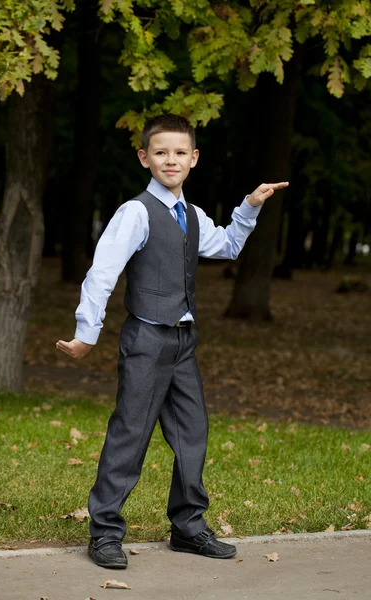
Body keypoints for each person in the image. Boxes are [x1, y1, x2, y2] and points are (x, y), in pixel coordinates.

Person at [56, 114, 288, 570]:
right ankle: (104, 531)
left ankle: (187, 527)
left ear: (194, 158)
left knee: (192, 434)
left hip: (183, 342)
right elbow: (102, 273)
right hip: (146, 339)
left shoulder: (193, 215)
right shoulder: (135, 212)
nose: (171, 160)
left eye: (180, 152)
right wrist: (87, 333)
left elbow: (226, 247)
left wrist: (250, 207)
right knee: (131, 433)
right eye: (160, 152)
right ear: (144, 157)